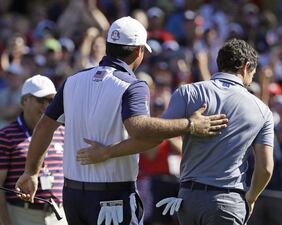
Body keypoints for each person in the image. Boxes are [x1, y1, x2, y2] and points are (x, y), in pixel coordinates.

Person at [15, 16, 228, 225]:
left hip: (72, 196)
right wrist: (190, 125)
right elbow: (140, 129)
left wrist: (31, 171)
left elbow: (44, 126)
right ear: (138, 51)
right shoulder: (133, 85)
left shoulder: (73, 80)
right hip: (112, 197)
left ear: (108, 46)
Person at [76, 39, 275, 225]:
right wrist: (251, 198)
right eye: (252, 74)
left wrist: (107, 152)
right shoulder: (262, 110)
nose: (250, 80)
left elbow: (151, 138)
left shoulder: (189, 92)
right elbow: (265, 168)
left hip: (188, 200)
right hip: (229, 202)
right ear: (246, 66)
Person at [0, 75, 67, 225]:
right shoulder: (4, 136)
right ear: (25, 101)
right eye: (40, 100)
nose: (46, 106)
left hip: (59, 215)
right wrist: (5, 222)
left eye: (50, 101)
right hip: (22, 215)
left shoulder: (62, 132)